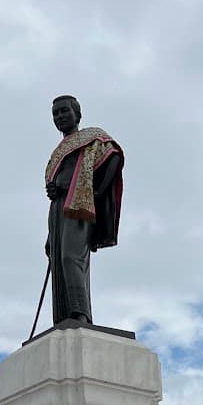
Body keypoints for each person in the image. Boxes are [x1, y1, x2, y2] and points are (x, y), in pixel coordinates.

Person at [44, 94, 124, 326]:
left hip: (78, 203)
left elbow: (114, 157)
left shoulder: (92, 137)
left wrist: (98, 191)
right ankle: (64, 315)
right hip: (58, 208)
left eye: (64, 111)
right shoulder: (58, 151)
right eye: (56, 114)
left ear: (77, 113)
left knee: (71, 257)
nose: (60, 116)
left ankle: (81, 313)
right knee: (59, 261)